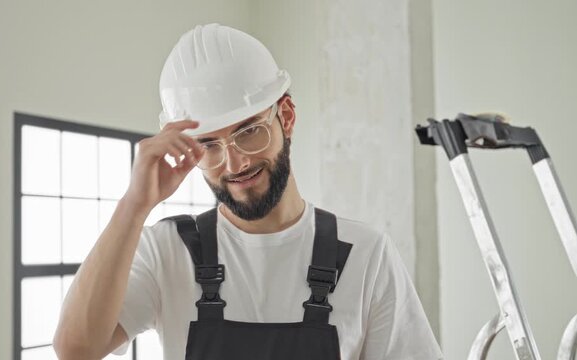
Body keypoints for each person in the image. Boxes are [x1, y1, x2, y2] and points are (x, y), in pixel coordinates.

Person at [53, 23, 443, 360]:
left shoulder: (366, 254)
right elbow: (76, 350)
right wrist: (134, 206)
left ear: (286, 117)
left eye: (249, 131)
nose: (235, 163)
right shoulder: (167, 250)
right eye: (209, 144)